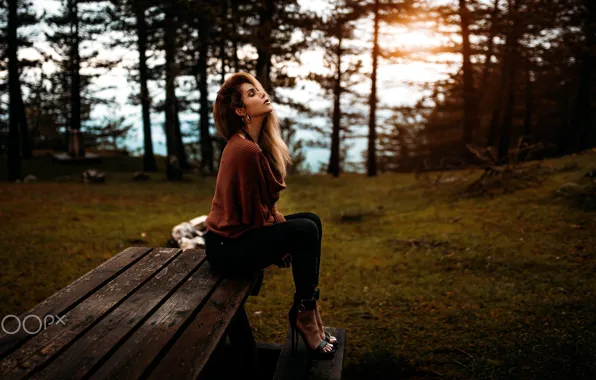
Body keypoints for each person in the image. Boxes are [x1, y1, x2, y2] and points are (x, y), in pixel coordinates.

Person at [204, 72, 338, 358]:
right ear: (240, 111)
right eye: (251, 94)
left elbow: (263, 209)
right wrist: (282, 245)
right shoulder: (246, 150)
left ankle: (308, 308)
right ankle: (304, 314)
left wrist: (279, 233)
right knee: (304, 231)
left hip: (233, 239)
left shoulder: (249, 143)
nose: (262, 94)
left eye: (258, 90)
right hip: (228, 248)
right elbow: (254, 217)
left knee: (311, 220)